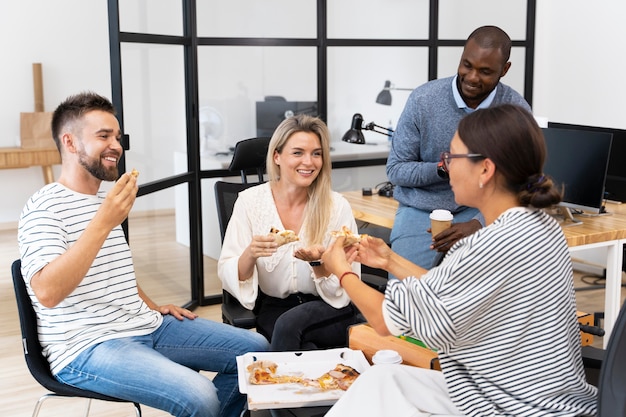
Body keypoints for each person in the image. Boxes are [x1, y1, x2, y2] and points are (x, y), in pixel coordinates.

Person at [321, 104, 597, 416]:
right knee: (384, 379)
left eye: (452, 157)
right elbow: (449, 291)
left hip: (511, 407)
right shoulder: (542, 226)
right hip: (541, 397)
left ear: (485, 170)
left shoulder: (485, 247)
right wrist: (390, 260)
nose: (446, 166)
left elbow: (387, 321)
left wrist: (342, 272)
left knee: (376, 389)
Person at [17, 92, 269, 417]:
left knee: (255, 350)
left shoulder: (105, 202)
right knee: (201, 395)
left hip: (146, 324)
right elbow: (48, 292)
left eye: (117, 137)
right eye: (103, 136)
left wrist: (152, 306)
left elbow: (111, 273)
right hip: (87, 346)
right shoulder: (44, 207)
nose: (116, 146)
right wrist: (105, 222)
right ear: (70, 142)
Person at [387, 25, 532, 270]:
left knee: (475, 301)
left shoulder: (515, 109)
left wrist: (481, 223)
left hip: (485, 213)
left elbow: (524, 181)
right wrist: (443, 169)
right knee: (407, 295)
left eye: (485, 71)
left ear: (504, 70)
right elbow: (396, 170)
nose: (473, 77)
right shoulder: (423, 100)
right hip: (421, 212)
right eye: (467, 65)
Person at [218, 114, 360, 351]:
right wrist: (250, 254)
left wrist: (319, 263)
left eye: (316, 153)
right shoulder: (249, 202)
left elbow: (346, 284)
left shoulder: (337, 206)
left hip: (329, 307)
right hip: (274, 308)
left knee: (289, 328)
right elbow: (229, 272)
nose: (309, 162)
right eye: (298, 153)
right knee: (307, 349)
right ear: (277, 156)